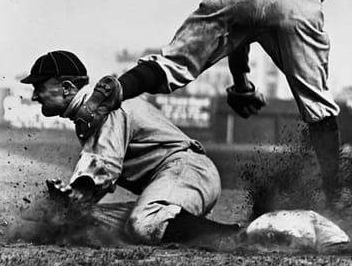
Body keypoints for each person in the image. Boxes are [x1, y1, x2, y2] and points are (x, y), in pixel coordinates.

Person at [72, 0, 352, 209]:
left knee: (173, 64)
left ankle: (119, 87)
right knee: (318, 106)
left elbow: (239, 36)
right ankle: (335, 194)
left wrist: (241, 85)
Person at [21, 50, 241, 245]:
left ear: (67, 88)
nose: (34, 95)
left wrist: (76, 195)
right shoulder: (92, 112)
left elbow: (104, 166)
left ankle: (239, 236)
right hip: (171, 183)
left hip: (187, 171)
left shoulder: (106, 107)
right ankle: (180, 222)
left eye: (39, 86)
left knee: (144, 223)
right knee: (83, 221)